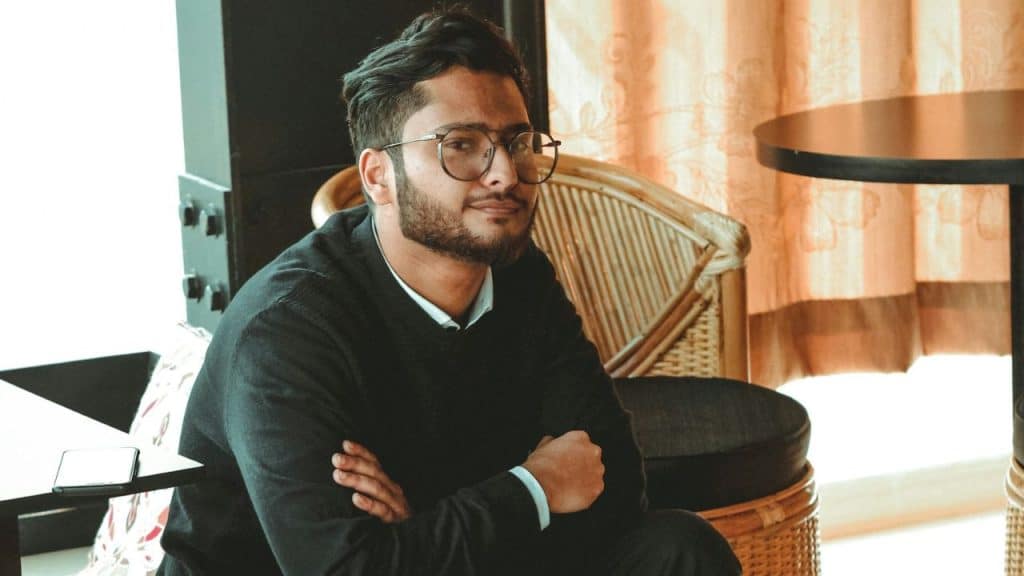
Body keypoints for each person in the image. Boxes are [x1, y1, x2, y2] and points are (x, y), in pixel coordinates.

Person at [159, 7, 740, 576]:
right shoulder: (289, 330)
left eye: (516, 141)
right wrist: (534, 487)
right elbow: (344, 568)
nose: (505, 174)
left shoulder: (516, 275)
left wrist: (423, 529)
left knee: (677, 548)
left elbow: (613, 487)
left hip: (457, 559)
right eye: (460, 144)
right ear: (378, 177)